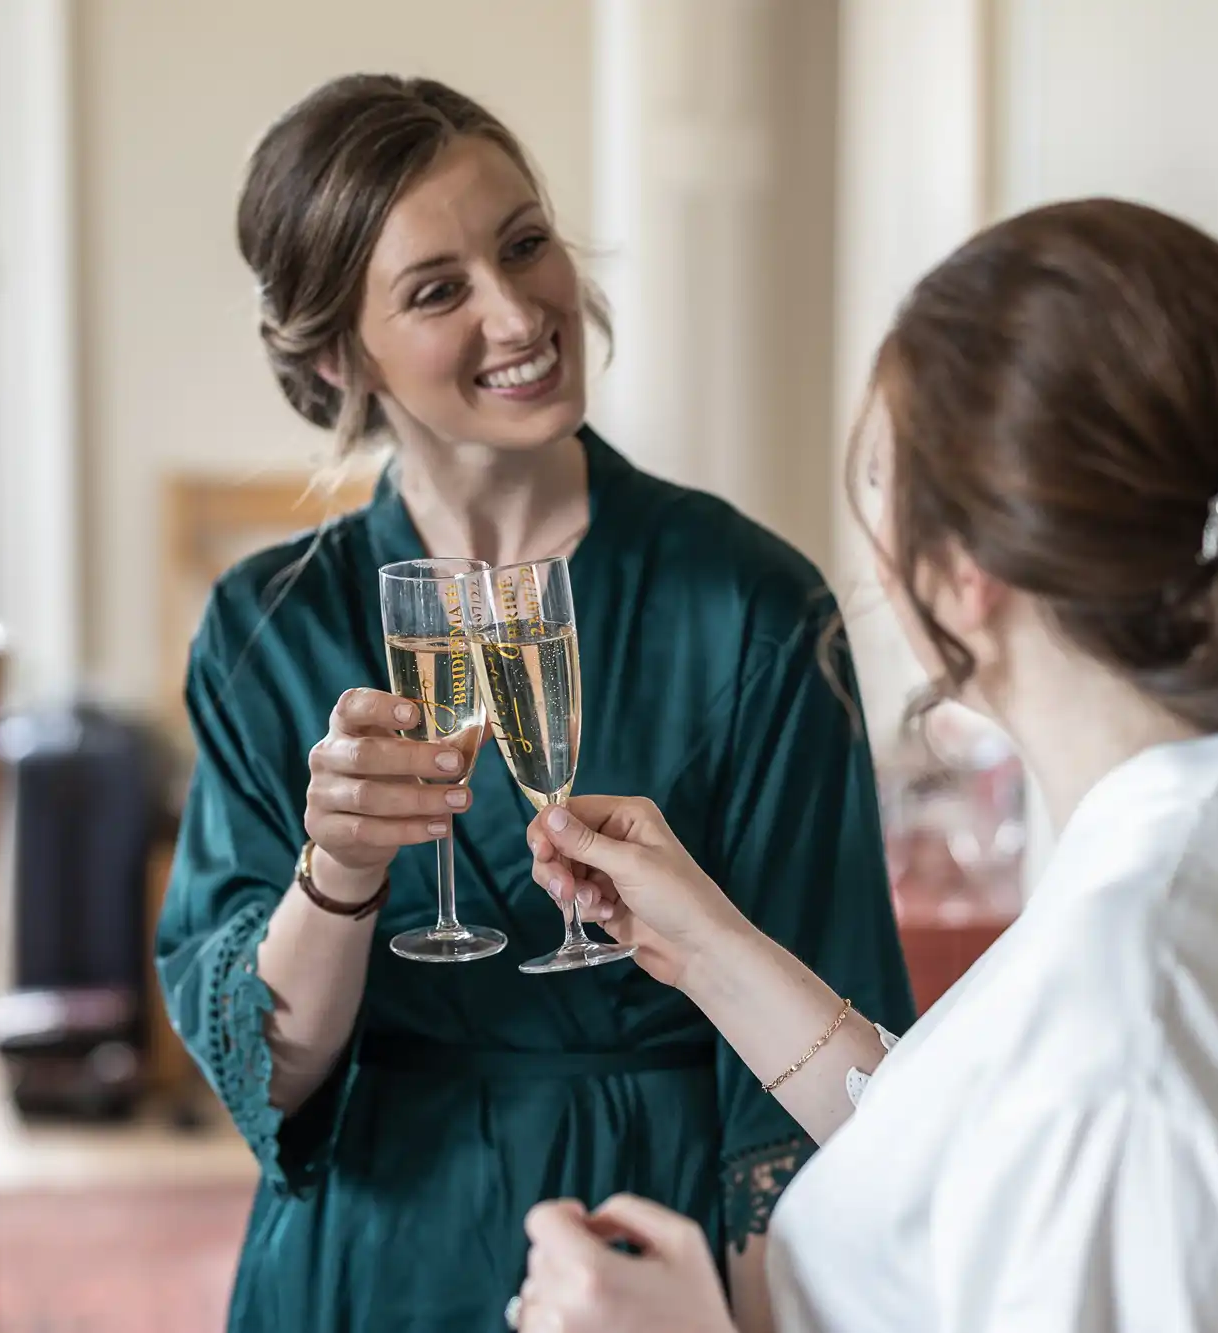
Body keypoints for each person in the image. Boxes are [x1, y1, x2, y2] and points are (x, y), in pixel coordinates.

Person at [512, 199, 1218, 1332]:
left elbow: (1072, 1126)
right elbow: (976, 1167)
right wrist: (707, 946)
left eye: (878, 486)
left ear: (963, 577)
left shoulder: (1129, 1031)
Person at [154, 74, 913, 1332]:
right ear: (341, 352)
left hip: (646, 1244)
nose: (518, 313)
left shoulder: (752, 606)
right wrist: (336, 872)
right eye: (438, 288)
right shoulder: (265, 630)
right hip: (366, 1253)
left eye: (523, 245)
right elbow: (271, 1077)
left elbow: (817, 1060)